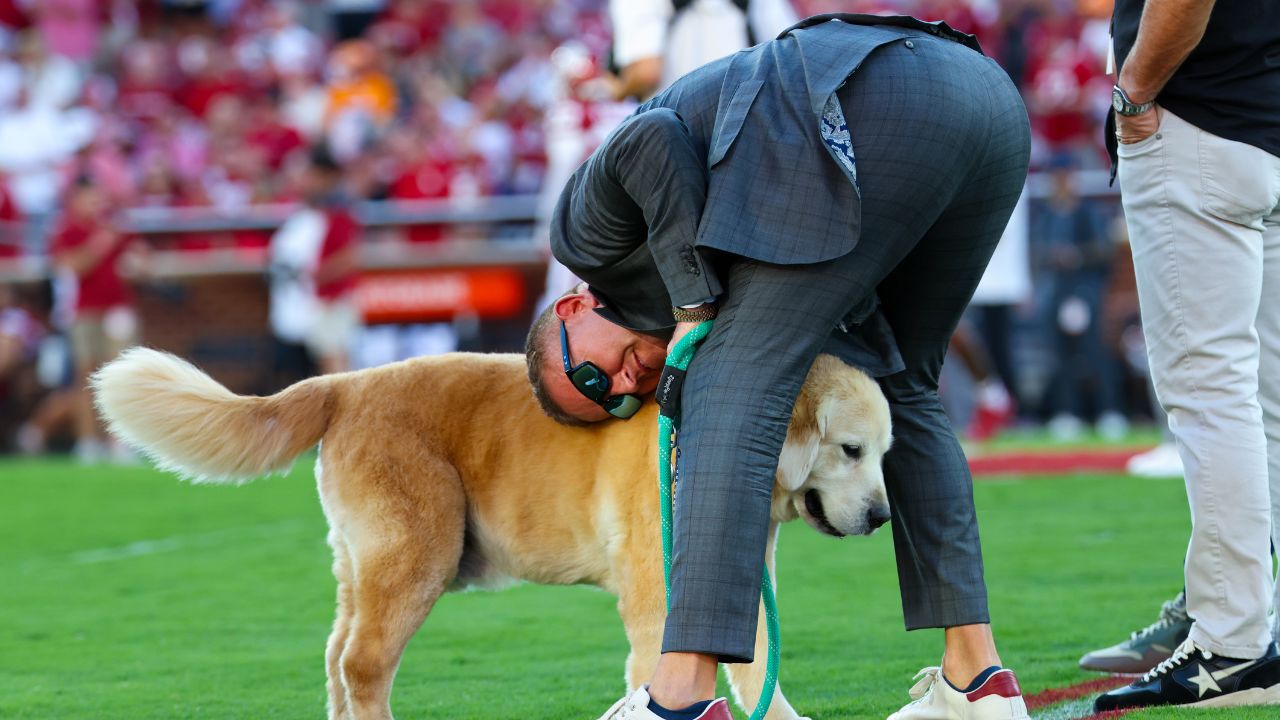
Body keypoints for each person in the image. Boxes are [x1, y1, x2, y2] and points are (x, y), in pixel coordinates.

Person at [525, 14, 1031, 720]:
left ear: (574, 310)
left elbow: (651, 139)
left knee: (725, 394)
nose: (623, 387)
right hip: (985, 105)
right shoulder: (643, 314)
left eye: (591, 377)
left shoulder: (579, 239)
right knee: (904, 384)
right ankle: (977, 683)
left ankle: (680, 698)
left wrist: (695, 305)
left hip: (874, 95)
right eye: (612, 404)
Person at [1091, 0, 1280, 712]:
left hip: (1200, 126)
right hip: (1263, 125)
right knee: (1267, 404)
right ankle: (1256, 625)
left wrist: (1134, 90)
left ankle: (1232, 641)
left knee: (1212, 392)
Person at [49, 179, 143, 462]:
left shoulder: (116, 226)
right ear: (75, 200)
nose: (97, 206)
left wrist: (138, 261)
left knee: (122, 375)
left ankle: (120, 443)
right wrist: (101, 243)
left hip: (118, 309)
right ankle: (88, 442)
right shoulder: (67, 231)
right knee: (85, 378)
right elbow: (71, 267)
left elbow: (139, 257)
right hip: (83, 312)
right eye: (91, 200)